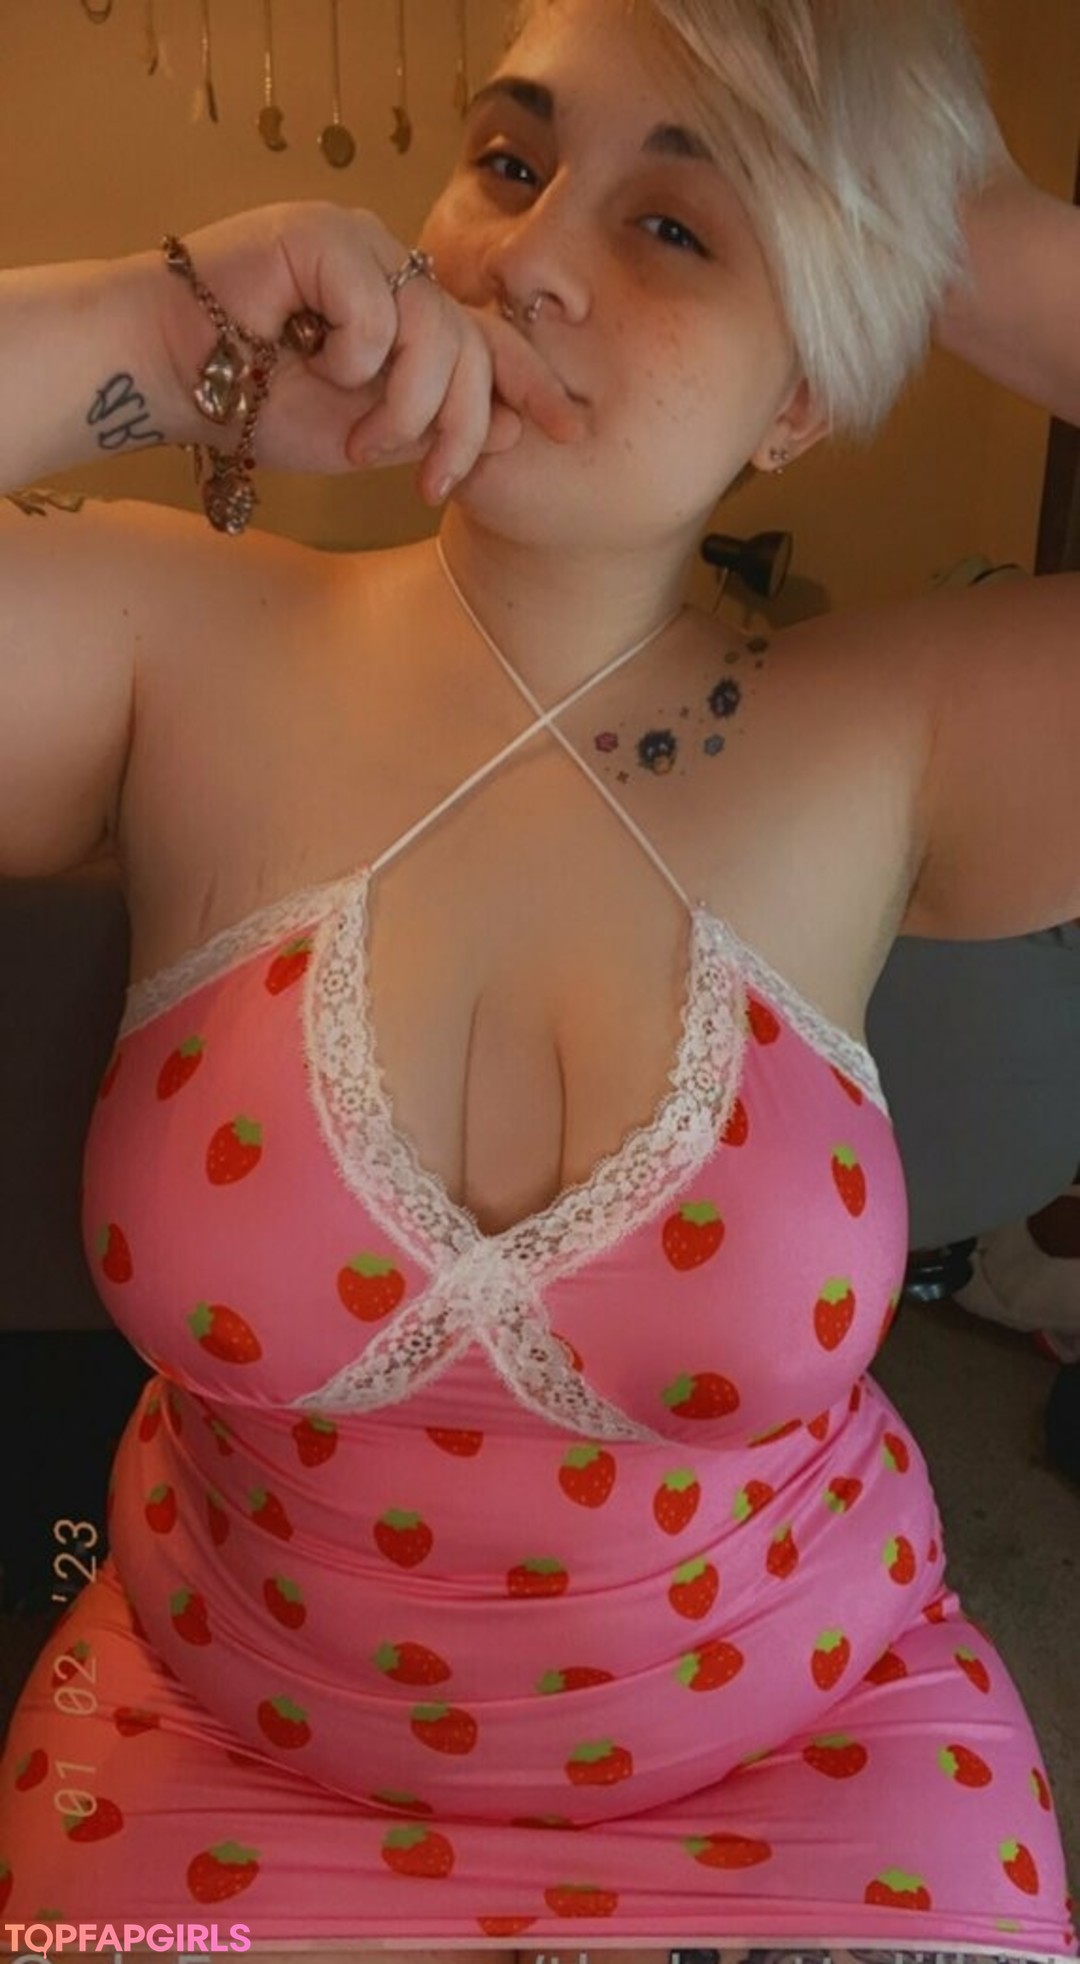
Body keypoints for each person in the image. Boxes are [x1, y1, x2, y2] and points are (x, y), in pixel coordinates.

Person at [0, 1, 1077, 1958]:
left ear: (800, 395)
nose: (527, 259)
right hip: (214, 1761)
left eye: (675, 226)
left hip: (827, 1760)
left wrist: (948, 228)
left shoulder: (897, 730)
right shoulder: (178, 650)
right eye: (508, 163)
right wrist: (159, 338)